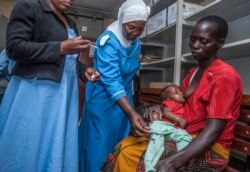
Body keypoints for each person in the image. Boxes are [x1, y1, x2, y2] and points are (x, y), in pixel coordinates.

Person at [101, 15, 243, 172]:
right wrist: (158, 109)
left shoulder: (224, 77)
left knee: (134, 156)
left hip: (212, 146)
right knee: (125, 146)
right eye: (192, 39)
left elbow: (213, 131)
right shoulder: (193, 73)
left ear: (220, 43)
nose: (195, 46)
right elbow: (181, 107)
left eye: (203, 41)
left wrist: (172, 163)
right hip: (185, 134)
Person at [0, 0, 99, 171]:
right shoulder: (30, 7)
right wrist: (60, 48)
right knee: (30, 142)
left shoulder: (70, 21)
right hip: (38, 91)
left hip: (65, 91)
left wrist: (84, 70)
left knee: (54, 141)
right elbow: (14, 48)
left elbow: (69, 61)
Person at [78, 0, 150, 171]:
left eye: (140, 29)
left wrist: (130, 109)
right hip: (103, 98)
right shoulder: (108, 41)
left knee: (120, 139)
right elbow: (110, 80)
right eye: (131, 27)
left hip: (124, 97)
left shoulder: (135, 40)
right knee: (100, 142)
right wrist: (131, 112)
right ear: (122, 20)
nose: (135, 33)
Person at [144, 84, 192, 172]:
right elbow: (166, 113)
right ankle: (149, 167)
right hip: (165, 128)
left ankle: (181, 161)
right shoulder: (169, 103)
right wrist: (179, 119)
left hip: (174, 130)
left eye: (180, 91)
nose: (181, 93)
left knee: (185, 138)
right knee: (155, 145)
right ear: (168, 98)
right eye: (176, 93)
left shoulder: (182, 105)